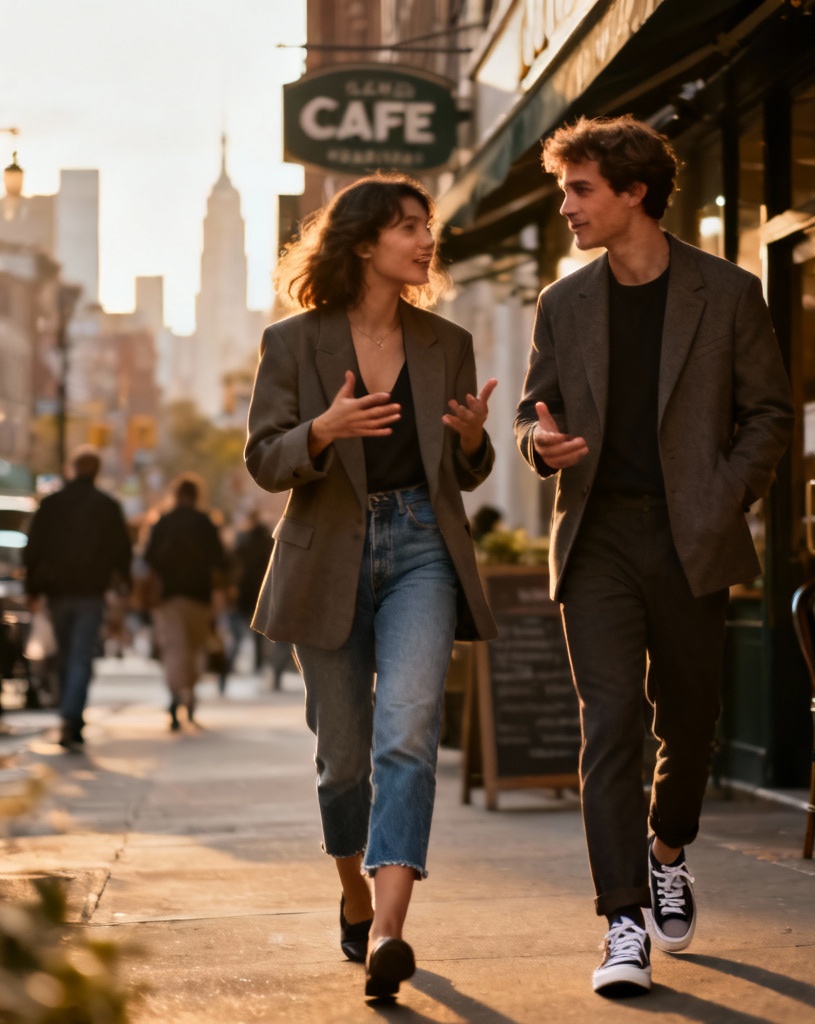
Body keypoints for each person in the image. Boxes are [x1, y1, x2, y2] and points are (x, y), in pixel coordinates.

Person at [514, 115, 793, 997]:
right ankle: (622, 921)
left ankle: (667, 849)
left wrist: (721, 496)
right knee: (611, 728)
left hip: (690, 537)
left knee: (692, 722)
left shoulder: (729, 291)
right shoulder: (563, 303)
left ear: (634, 192)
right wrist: (537, 444)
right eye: (566, 190)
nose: (567, 208)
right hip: (596, 539)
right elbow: (533, 411)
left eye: (581, 189)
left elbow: (771, 416)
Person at [244, 173, 498, 1001]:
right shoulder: (293, 343)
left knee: (409, 732)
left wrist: (471, 440)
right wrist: (320, 430)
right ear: (363, 245)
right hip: (328, 557)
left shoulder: (446, 341)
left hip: (424, 543)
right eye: (410, 228)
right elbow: (263, 458)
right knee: (343, 761)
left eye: (428, 227)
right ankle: (352, 889)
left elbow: (467, 469)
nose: (427, 240)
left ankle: (389, 928)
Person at [23, 445, 133, 750]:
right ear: (96, 470)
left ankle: (69, 714)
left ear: (72, 468)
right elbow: (121, 551)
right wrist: (122, 583)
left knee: (64, 655)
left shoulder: (52, 504)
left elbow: (33, 549)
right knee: (81, 657)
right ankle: (72, 716)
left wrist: (32, 589)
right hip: (91, 592)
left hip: (58, 591)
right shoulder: (107, 506)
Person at [143, 473, 228, 731]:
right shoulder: (205, 523)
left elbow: (148, 558)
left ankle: (175, 694)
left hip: (169, 595)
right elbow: (220, 561)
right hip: (200, 596)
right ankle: (188, 694)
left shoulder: (163, 522)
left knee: (174, 648)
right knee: (195, 647)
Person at [219, 508, 274, 693]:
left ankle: (224, 673)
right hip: (262, 593)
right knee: (260, 635)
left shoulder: (242, 541)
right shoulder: (269, 541)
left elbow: (231, 564)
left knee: (235, 637)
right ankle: (260, 669)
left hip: (242, 594)